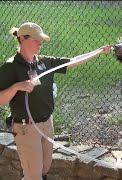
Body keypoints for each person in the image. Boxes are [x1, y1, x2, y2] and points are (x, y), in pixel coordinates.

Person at [0, 22, 112, 180]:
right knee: (33, 175)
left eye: (41, 40)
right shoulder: (10, 67)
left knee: (44, 169)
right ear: (22, 39)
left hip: (47, 123)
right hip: (26, 127)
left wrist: (99, 51)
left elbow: (73, 61)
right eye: (36, 40)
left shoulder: (44, 62)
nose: (40, 43)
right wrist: (17, 86)